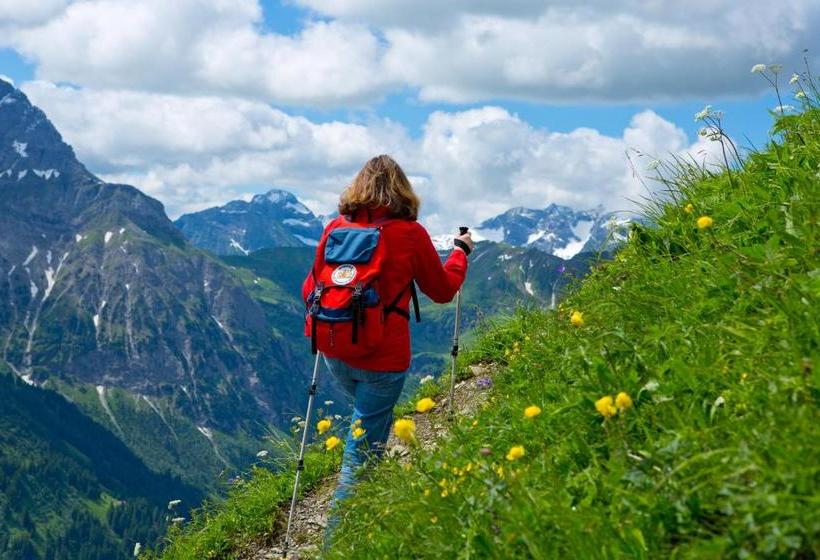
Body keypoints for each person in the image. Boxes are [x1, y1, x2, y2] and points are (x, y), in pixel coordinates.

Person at [301, 154, 473, 521]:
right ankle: (343, 541)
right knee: (360, 456)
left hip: (335, 350)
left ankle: (374, 509)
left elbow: (309, 289)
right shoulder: (409, 234)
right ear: (402, 191)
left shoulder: (335, 228)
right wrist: (460, 254)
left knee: (365, 429)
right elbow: (442, 291)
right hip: (384, 358)